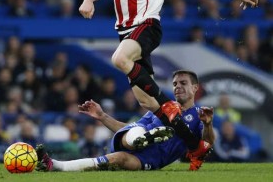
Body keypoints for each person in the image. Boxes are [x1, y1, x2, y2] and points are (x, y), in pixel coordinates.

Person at [78, 0, 257, 169]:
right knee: (147, 104)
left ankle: (168, 104)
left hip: (148, 28)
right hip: (126, 33)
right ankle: (195, 147)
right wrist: (88, 1)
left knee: (119, 60)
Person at [36, 70, 215, 171]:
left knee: (118, 157)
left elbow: (205, 146)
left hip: (152, 157)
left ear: (195, 87)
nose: (178, 87)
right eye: (175, 84)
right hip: (135, 140)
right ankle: (54, 165)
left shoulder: (199, 114)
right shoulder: (162, 108)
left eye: (183, 83)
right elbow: (130, 127)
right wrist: (102, 116)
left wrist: (208, 124)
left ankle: (55, 165)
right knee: (134, 133)